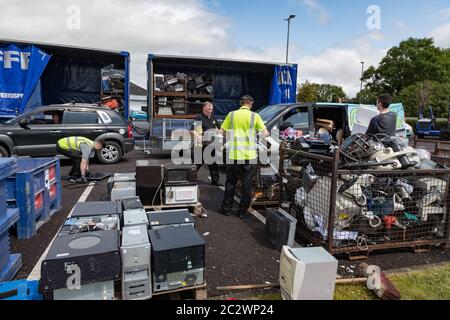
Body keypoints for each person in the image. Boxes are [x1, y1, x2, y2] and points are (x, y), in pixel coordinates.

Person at [219, 95, 269, 218]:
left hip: (234, 154)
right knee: (247, 184)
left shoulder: (231, 115)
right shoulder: (255, 116)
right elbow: (265, 133)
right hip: (249, 155)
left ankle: (226, 209)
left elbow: (222, 131)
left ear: (241, 103)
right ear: (250, 103)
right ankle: (241, 211)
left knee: (231, 182)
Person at [191, 101, 222, 185]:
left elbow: (219, 129)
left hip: (211, 145)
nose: (210, 111)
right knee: (197, 163)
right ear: (203, 108)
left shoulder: (212, 118)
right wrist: (197, 136)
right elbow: (193, 130)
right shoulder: (199, 118)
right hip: (201, 145)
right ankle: (191, 180)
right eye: (208, 109)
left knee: (213, 164)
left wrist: (221, 133)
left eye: (211, 109)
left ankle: (215, 181)